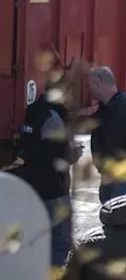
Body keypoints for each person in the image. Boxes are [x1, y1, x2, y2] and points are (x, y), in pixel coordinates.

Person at [13, 79, 75, 268]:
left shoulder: (32, 113)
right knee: (60, 238)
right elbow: (56, 155)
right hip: (53, 187)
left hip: (32, 183)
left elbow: (25, 145)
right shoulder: (54, 117)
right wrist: (73, 154)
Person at [86, 66, 126, 203]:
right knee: (113, 221)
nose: (88, 89)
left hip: (125, 181)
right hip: (112, 179)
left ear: (98, 84)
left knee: (124, 221)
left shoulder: (124, 107)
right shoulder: (106, 109)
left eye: (90, 85)